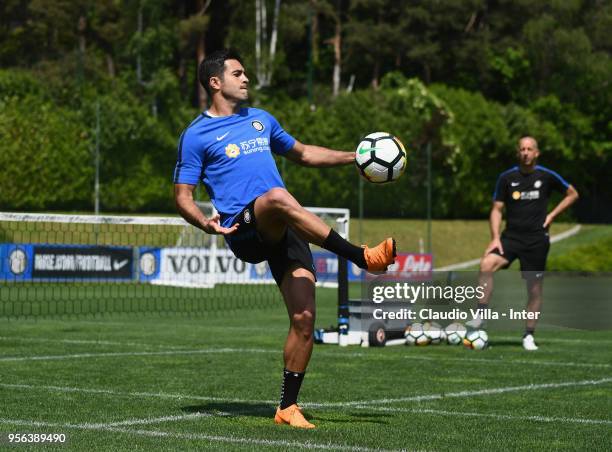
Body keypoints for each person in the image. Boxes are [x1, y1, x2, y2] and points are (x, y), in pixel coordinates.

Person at [173, 49, 396, 428]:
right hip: (242, 229)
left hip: (285, 228)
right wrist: (204, 224)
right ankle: (361, 256)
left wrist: (357, 156)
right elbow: (182, 196)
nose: (246, 79)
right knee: (277, 197)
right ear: (215, 82)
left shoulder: (261, 120)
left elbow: (304, 154)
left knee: (305, 318)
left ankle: (287, 407)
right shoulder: (195, 135)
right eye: (238, 73)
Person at [468, 136, 579, 350]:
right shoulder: (506, 178)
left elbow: (573, 194)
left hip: (537, 240)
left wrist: (552, 215)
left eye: (529, 149)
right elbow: (496, 209)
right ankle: (480, 318)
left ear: (536, 153)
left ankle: (528, 335)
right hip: (510, 238)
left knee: (534, 289)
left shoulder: (547, 176)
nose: (525, 152)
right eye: (522, 149)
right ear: (518, 153)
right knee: (486, 265)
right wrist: (495, 237)